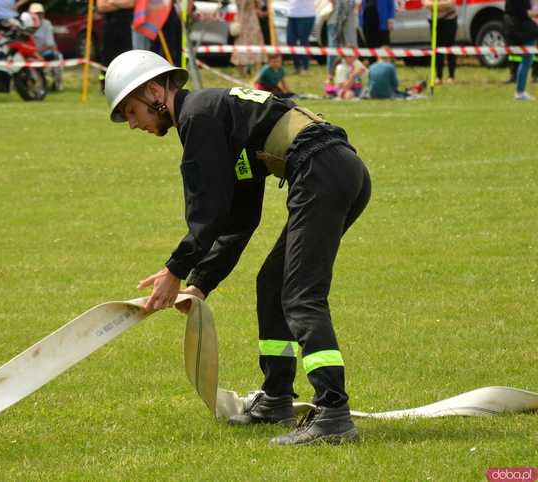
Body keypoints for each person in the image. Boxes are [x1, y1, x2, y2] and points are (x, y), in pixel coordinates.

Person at [104, 50, 371, 446]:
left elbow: (207, 210)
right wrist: (200, 283)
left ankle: (333, 413)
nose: (132, 124)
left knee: (301, 295)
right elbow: (239, 217)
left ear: (155, 91)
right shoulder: (217, 114)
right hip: (337, 169)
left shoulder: (196, 116)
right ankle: (277, 398)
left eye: (131, 111)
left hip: (323, 170)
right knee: (273, 283)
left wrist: (175, 270)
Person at [96, 0, 134, 91]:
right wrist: (121, 4)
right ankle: (104, 85)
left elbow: (131, 3)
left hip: (126, 27)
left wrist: (111, 2)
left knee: (127, 57)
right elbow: (101, 7)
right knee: (107, 58)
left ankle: (126, 84)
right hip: (109, 26)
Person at [504, 0, 538, 99]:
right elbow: (524, 13)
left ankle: (520, 91)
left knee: (525, 62)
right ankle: (520, 91)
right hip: (524, 30)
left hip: (515, 29)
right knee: (526, 61)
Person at [28, 2, 63, 91]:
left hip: (45, 52)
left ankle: (57, 83)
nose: (39, 15)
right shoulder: (26, 24)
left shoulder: (47, 24)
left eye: (40, 13)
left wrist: (37, 53)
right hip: (29, 53)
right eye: (36, 13)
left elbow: (50, 45)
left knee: (58, 56)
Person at [423, 0, 457, 84]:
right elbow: (426, 4)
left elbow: (451, 3)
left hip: (449, 20)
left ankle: (451, 76)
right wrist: (442, 6)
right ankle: (438, 77)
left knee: (449, 48)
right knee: (436, 49)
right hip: (434, 20)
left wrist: (435, 6)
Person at [326, 0, 359, 86]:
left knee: (351, 45)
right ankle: (330, 75)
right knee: (333, 47)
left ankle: (354, 74)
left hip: (350, 7)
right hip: (336, 11)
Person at [231, 0, 266, 76]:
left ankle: (245, 72)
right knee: (253, 45)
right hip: (250, 22)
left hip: (242, 21)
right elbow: (259, 6)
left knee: (241, 45)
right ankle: (256, 72)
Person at [287, 0, 316, 74]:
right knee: (290, 41)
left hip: (306, 14)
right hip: (292, 13)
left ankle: (305, 67)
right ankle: (297, 66)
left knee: (303, 41)